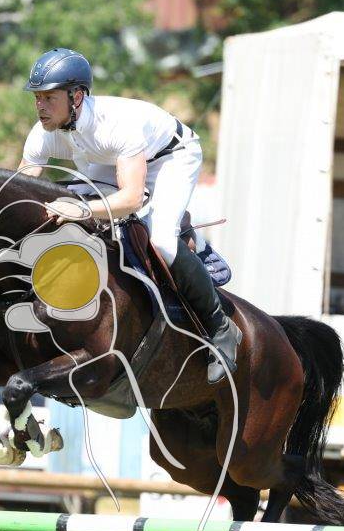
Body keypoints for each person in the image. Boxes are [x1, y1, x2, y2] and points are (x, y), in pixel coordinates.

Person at [16, 47, 239, 384]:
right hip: (110, 161)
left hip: (170, 158)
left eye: (49, 97)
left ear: (76, 97)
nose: (40, 106)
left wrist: (82, 209)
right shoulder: (44, 133)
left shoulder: (115, 126)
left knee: (161, 241)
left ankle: (221, 327)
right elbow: (20, 190)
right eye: (37, 98)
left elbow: (132, 198)